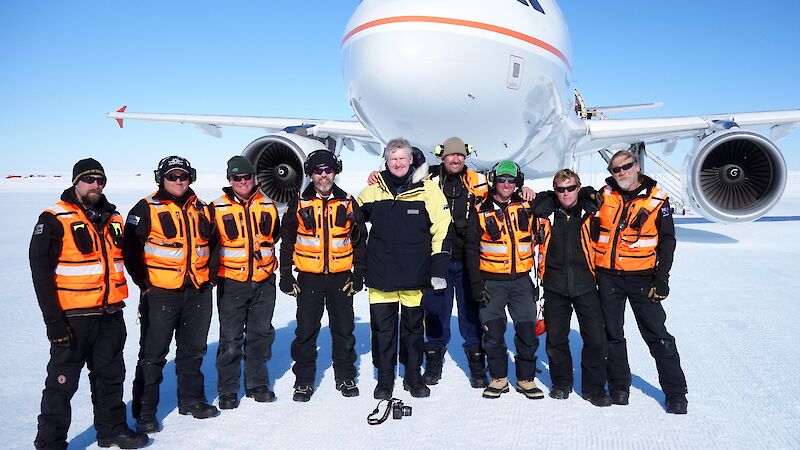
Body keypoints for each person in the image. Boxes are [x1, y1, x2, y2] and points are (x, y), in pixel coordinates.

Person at [30, 158, 148, 449]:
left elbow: (128, 259)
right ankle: (50, 442)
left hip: (109, 315)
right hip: (73, 318)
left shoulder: (114, 218)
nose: (96, 185)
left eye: (101, 180)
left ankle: (112, 430)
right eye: (90, 179)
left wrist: (146, 286)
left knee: (111, 377)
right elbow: (40, 273)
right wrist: (54, 321)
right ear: (76, 182)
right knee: (61, 383)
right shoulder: (54, 218)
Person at [124, 155, 219, 433]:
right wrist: (145, 283)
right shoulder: (145, 208)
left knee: (193, 350)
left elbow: (214, 244)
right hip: (161, 293)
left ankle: (192, 400)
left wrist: (209, 278)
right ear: (161, 178)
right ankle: (145, 412)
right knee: (153, 355)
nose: (178, 181)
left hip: (197, 291)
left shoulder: (202, 208)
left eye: (183, 176)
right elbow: (130, 249)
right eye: (172, 176)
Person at [595, 150, 688, 414]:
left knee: (658, 336)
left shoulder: (658, 200)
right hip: (608, 276)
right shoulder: (603, 196)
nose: (621, 173)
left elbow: (667, 242)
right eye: (615, 169)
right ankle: (619, 387)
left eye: (625, 167)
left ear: (637, 166)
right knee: (612, 335)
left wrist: (662, 279)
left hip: (642, 279)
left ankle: (675, 392)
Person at [357, 138, 451, 400]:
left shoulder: (428, 190)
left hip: (414, 274)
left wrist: (438, 267)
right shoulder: (374, 190)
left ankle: (412, 376)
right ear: (386, 161)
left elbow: (442, 228)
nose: (397, 163)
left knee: (412, 330)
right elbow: (351, 219)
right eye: (393, 159)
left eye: (402, 158)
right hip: (381, 275)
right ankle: (385, 380)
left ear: (411, 160)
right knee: (382, 331)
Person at [279, 150, 367, 402]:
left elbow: (360, 241)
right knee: (306, 331)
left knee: (344, 330)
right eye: (318, 171)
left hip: (341, 278)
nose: (324, 175)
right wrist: (286, 274)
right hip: (309, 278)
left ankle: (346, 375)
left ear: (335, 172)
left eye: (328, 170)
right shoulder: (299, 202)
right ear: (311, 174)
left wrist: (358, 273)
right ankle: (304, 381)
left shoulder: (348, 202)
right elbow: (287, 241)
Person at [530, 169, 612, 407]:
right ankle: (561, 383)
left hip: (586, 284)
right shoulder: (546, 213)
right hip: (555, 285)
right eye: (560, 189)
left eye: (571, 188)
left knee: (596, 338)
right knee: (556, 338)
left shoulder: (591, 210)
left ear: (579, 187)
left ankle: (594, 388)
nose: (566, 193)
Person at [465, 161, 543, 400]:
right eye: (502, 180)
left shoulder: (527, 205)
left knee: (527, 332)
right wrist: (477, 285)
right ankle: (498, 378)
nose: (506, 184)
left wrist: (531, 192)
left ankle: (525, 379)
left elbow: (555, 199)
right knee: (493, 332)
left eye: (511, 180)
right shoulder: (480, 210)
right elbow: (470, 249)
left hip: (521, 280)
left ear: (517, 181)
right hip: (492, 283)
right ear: (494, 181)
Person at [209, 156, 280, 409]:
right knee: (230, 339)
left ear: (254, 178)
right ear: (229, 180)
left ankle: (257, 383)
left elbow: (275, 236)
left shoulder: (268, 204)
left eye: (246, 177)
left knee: (260, 334)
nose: (242, 182)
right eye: (236, 178)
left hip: (263, 281)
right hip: (231, 283)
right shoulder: (215, 208)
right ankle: (228, 390)